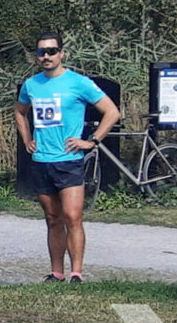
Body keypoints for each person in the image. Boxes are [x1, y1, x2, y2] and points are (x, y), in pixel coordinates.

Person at [14, 31, 120, 284]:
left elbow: (112, 112)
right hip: (41, 160)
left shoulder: (78, 82)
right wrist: (27, 138)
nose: (47, 56)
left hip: (69, 159)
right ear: (36, 56)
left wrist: (92, 141)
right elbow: (20, 112)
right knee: (52, 219)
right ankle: (56, 272)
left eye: (52, 51)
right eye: (42, 52)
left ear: (62, 54)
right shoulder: (31, 85)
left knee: (73, 216)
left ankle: (76, 273)